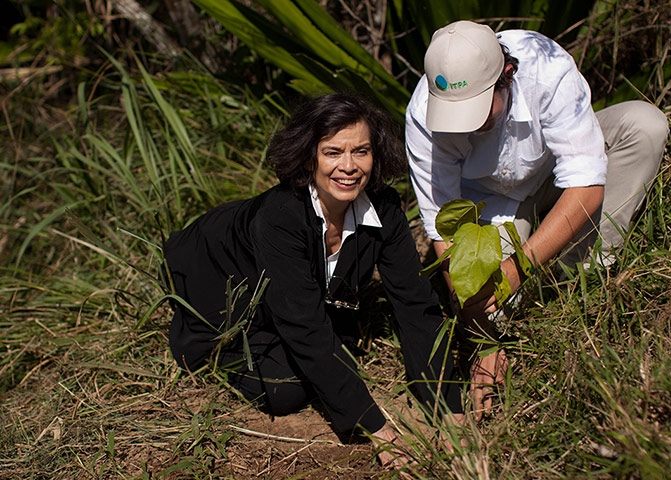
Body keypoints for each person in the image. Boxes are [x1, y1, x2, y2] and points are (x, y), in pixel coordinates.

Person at [164, 93, 464, 466]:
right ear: (309, 156)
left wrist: (449, 408)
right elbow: (304, 326)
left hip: (280, 285)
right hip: (214, 270)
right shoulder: (280, 217)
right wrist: (377, 428)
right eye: (333, 152)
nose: (349, 166)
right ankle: (221, 349)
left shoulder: (384, 207)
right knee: (284, 389)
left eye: (362, 151)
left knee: (336, 346)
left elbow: (415, 306)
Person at [405, 21, 668, 418]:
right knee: (499, 312)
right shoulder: (423, 115)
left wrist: (520, 267)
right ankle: (532, 292)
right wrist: (483, 340)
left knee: (645, 126)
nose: (466, 125)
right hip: (487, 203)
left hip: (549, 172)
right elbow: (444, 228)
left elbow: (585, 184)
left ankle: (584, 272)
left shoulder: (547, 69)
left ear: (507, 76)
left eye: (476, 109)